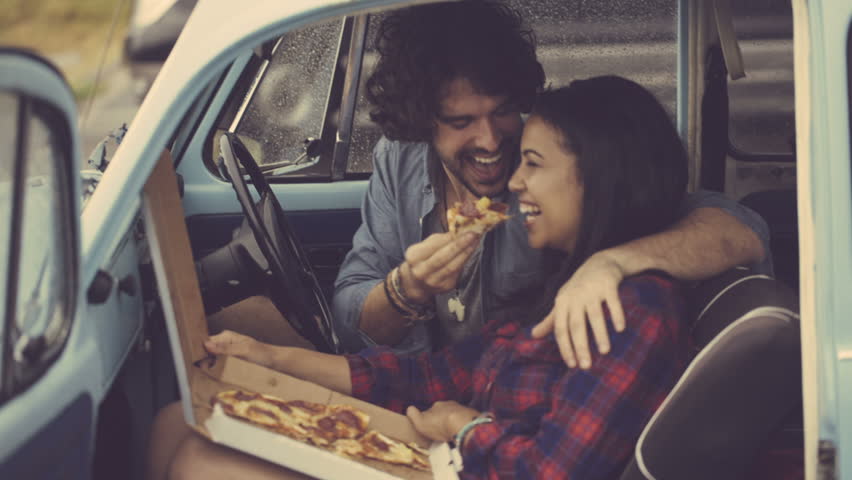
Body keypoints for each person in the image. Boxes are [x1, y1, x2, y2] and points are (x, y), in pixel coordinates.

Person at [153, 76, 691, 480]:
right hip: (451, 453)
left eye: (533, 162)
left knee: (201, 460)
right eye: (459, 122)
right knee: (176, 421)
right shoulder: (565, 282)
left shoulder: (628, 309)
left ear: (599, 177)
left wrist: (460, 425)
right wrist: (272, 360)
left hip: (463, 458)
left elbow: (550, 472)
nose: (516, 180)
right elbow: (430, 377)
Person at [331, 0, 771, 369]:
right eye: (460, 121)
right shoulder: (398, 159)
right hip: (434, 384)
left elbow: (739, 228)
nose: (490, 140)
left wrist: (613, 263)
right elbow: (351, 314)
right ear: (420, 120)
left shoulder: (553, 165)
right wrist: (407, 290)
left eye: (503, 111)